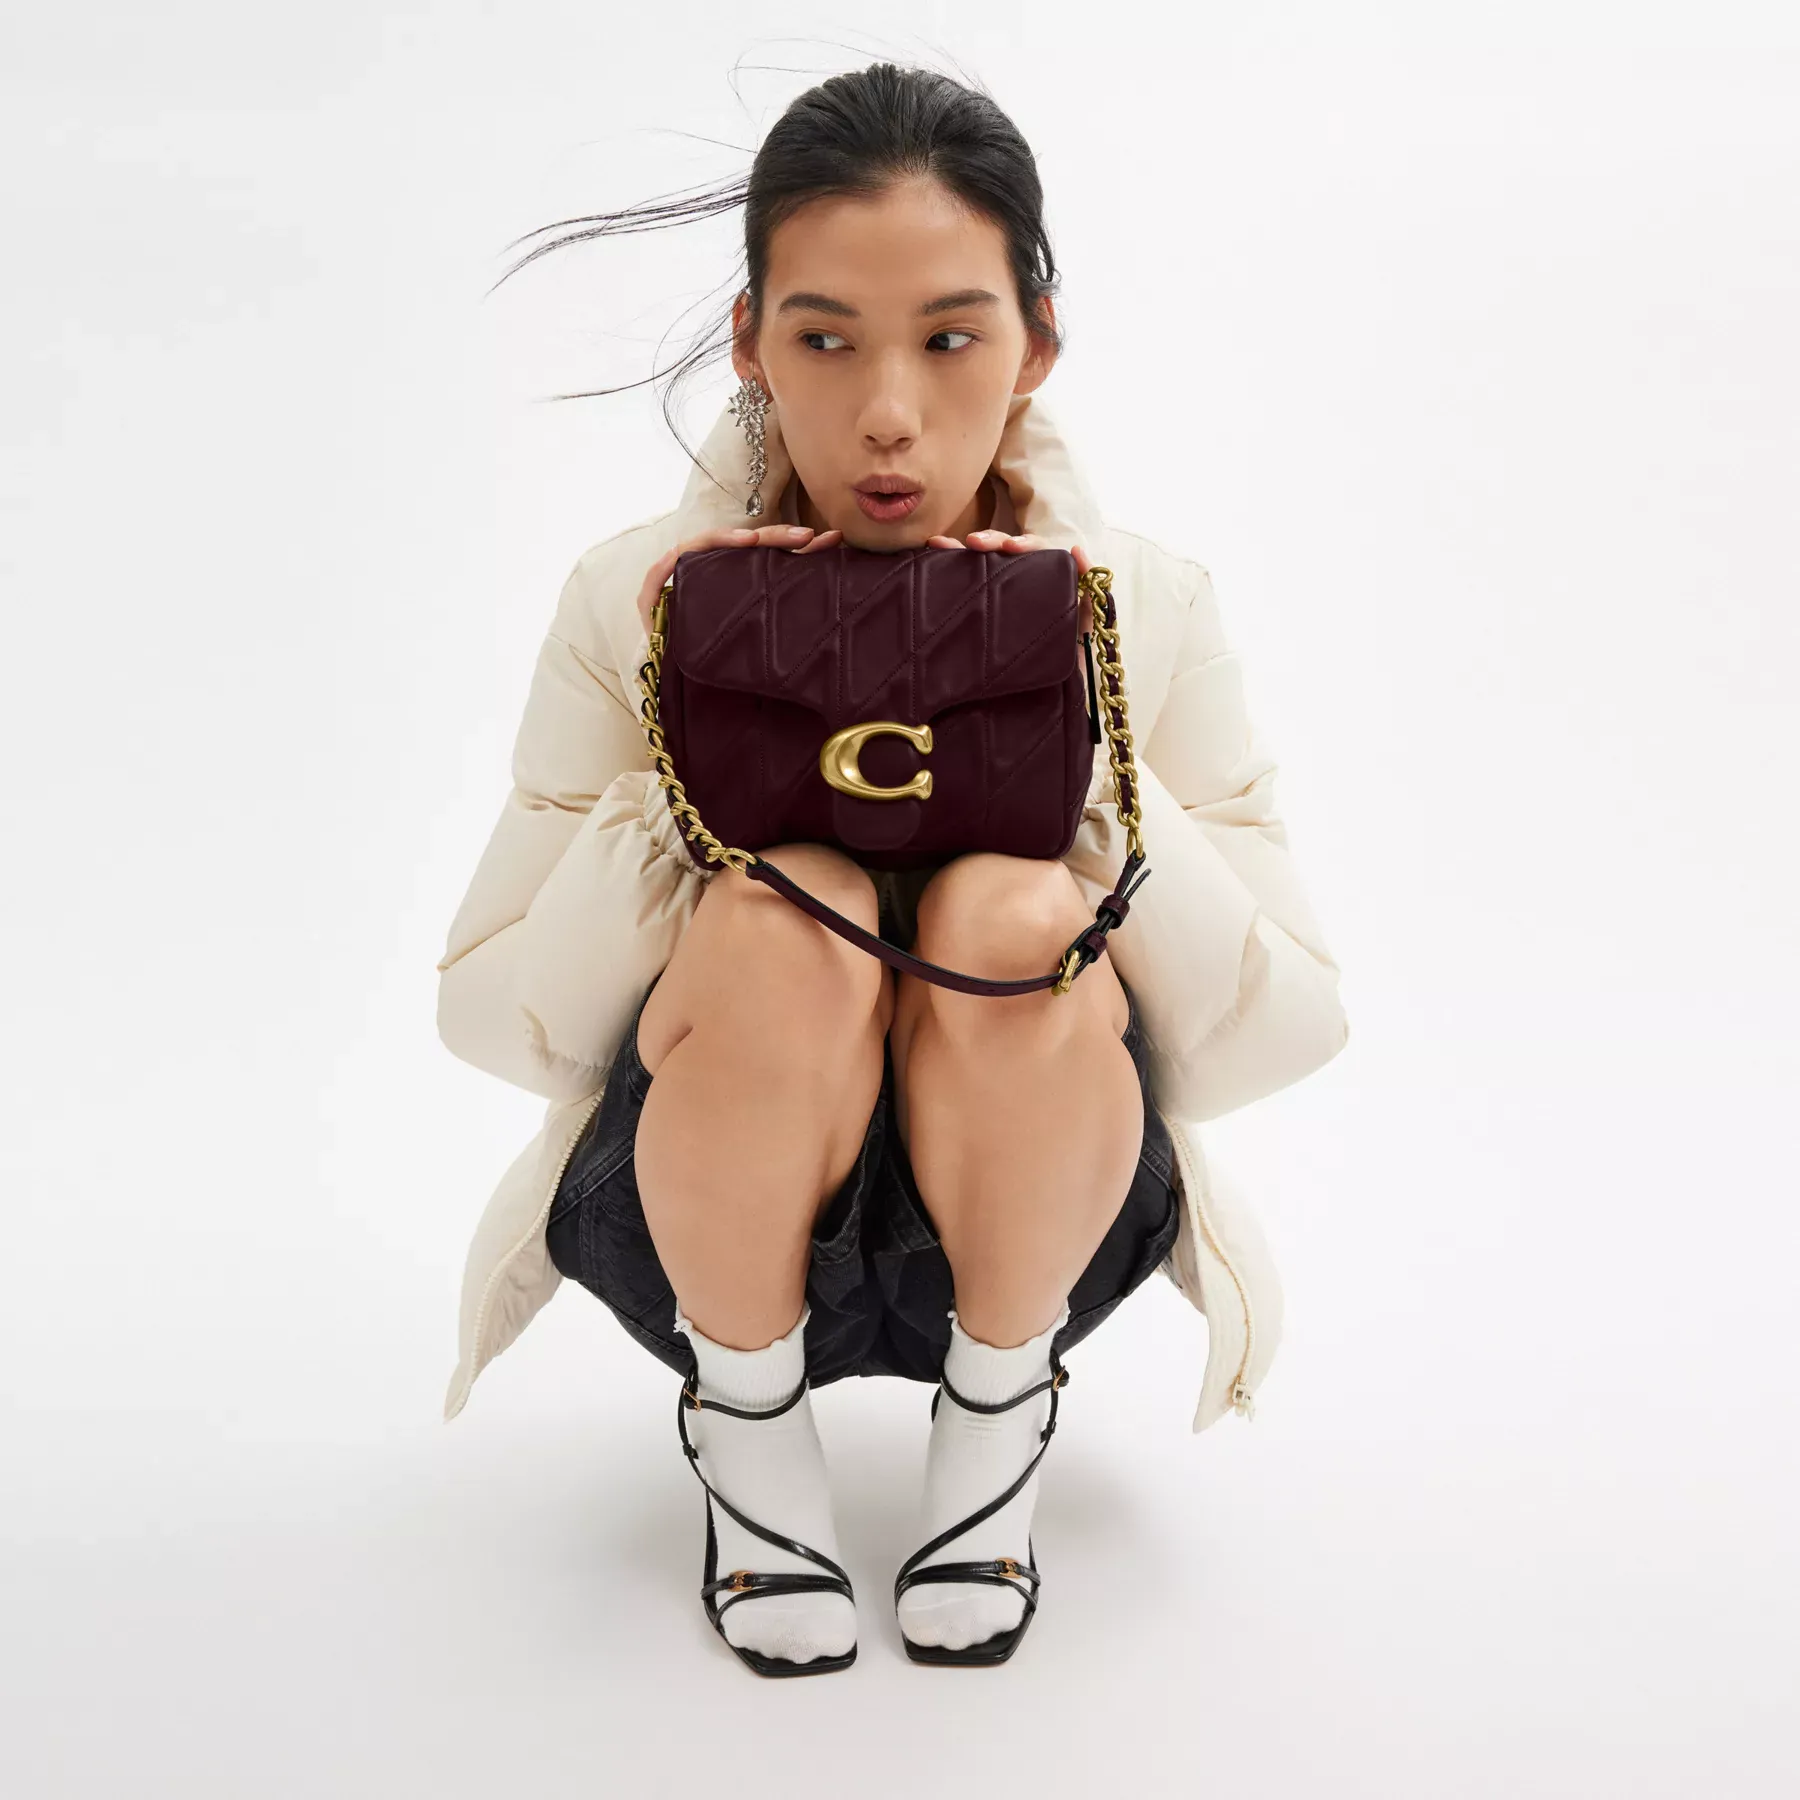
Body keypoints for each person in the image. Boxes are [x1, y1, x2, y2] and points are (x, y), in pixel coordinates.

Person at [434, 62, 1349, 1678]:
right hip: (700, 1212)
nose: (886, 412)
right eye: (825, 339)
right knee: (793, 912)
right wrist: (691, 742)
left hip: (1045, 1222)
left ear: (1035, 344)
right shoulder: (634, 595)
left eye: (949, 338)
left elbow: (1285, 1034)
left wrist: (1076, 737)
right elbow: (497, 1025)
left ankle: (995, 1437)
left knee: (1011, 915)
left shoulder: (1141, 604)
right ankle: (749, 1441)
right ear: (748, 343)